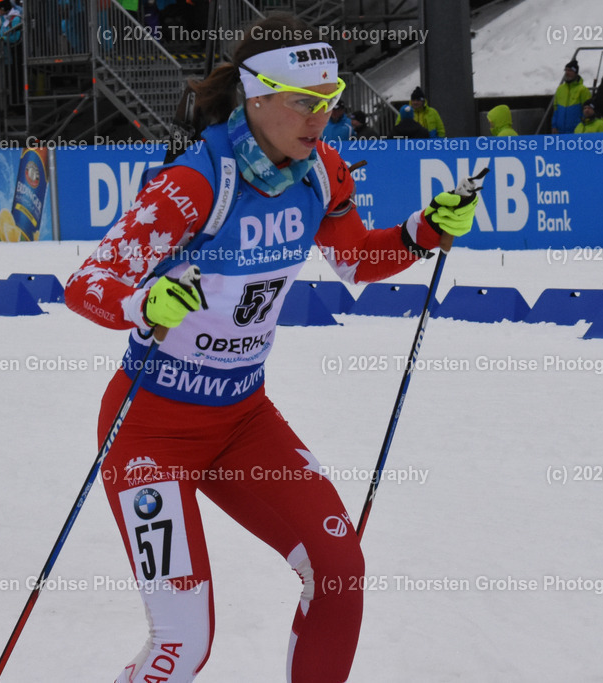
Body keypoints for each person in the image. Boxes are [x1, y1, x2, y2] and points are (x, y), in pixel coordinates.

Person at [64, 13, 479, 683]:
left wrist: (421, 232)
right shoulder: (195, 182)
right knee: (182, 644)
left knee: (339, 571)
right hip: (150, 433)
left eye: (330, 99)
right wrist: (142, 304)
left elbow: (354, 257)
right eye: (304, 101)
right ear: (256, 96)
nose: (322, 117)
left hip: (242, 421)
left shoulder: (322, 172)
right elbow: (87, 284)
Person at [550, 59, 590, 134]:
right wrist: (554, 126)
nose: (567, 73)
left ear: (575, 73)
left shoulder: (583, 90)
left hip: (576, 132)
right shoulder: (560, 89)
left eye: (570, 71)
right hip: (560, 132)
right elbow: (555, 109)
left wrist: (583, 128)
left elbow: (588, 112)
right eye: (566, 70)